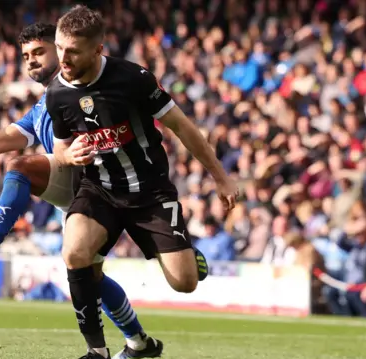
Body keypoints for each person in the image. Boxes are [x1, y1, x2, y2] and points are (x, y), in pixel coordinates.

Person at [0, 23, 167, 359]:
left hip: (116, 191)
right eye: (25, 56)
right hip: (81, 193)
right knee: (86, 271)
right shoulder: (41, 109)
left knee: (89, 273)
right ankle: (138, 344)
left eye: (38, 52)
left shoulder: (92, 88)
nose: (30, 61)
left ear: (61, 49)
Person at [46, 6, 239, 359]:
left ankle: (185, 255)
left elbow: (182, 127)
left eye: (72, 50)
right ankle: (97, 351)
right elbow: (60, 151)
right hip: (99, 190)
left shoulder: (133, 78)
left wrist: (221, 179)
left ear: (97, 49)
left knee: (184, 283)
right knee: (74, 254)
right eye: (59, 47)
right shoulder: (57, 93)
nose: (63, 57)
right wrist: (67, 156)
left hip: (150, 192)